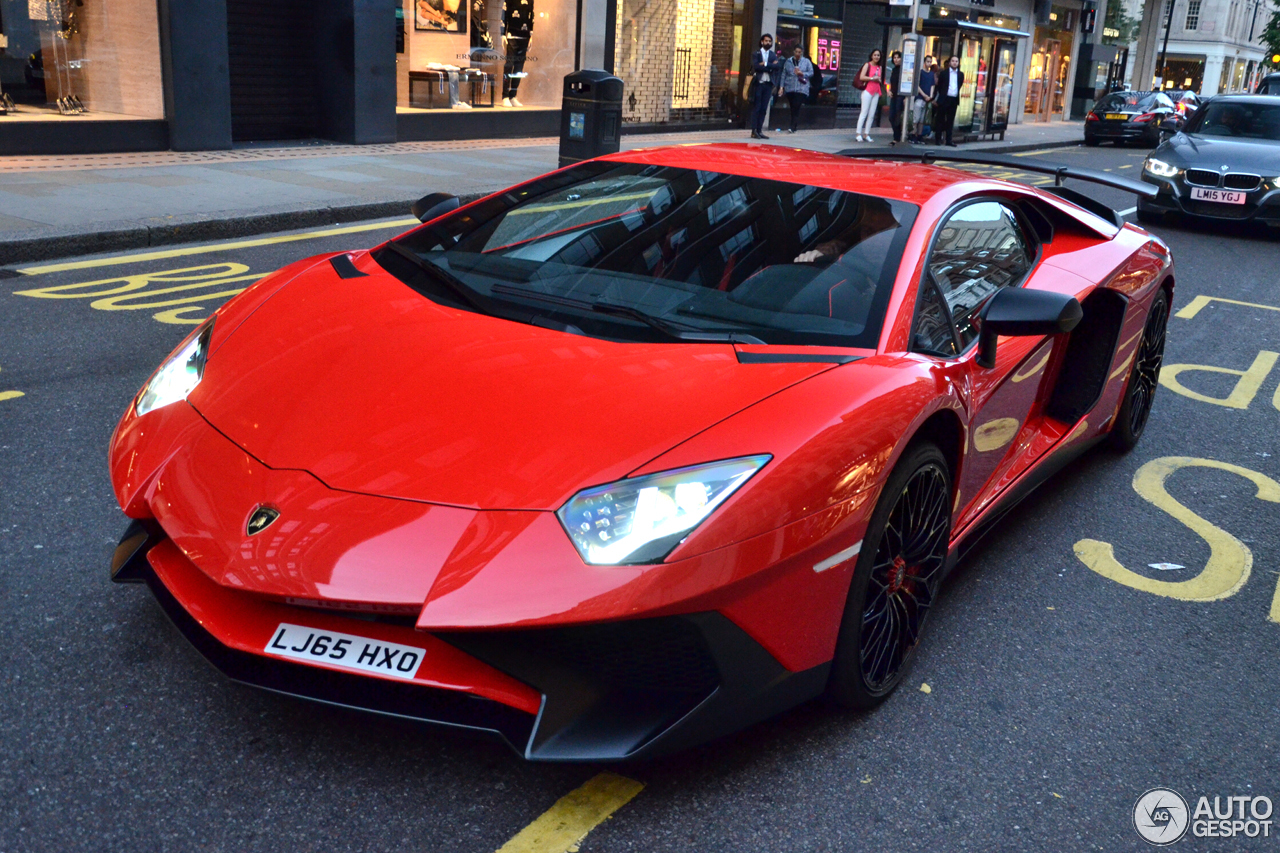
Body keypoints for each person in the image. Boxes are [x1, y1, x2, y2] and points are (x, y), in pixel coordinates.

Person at [750, 34, 780, 139]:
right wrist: (769, 67)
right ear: (762, 41)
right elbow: (757, 67)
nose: (768, 43)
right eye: (766, 41)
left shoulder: (772, 55)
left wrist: (766, 64)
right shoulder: (756, 53)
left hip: (768, 85)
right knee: (757, 107)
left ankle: (759, 130)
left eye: (770, 41)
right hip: (759, 83)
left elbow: (777, 66)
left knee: (764, 108)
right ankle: (753, 131)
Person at [779, 46, 815, 133]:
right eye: (796, 52)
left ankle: (792, 126)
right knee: (793, 107)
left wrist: (802, 73)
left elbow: (811, 72)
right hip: (790, 87)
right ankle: (794, 126)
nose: (798, 54)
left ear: (802, 52)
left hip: (801, 88)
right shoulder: (788, 61)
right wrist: (781, 87)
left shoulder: (806, 62)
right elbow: (784, 74)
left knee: (796, 105)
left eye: (800, 52)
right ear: (793, 52)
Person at [934, 55, 963, 147]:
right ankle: (938, 139)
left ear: (958, 63)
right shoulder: (944, 73)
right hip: (944, 99)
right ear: (950, 62)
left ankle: (949, 140)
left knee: (950, 120)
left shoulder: (961, 74)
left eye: (956, 61)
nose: (955, 63)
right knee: (940, 119)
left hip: (954, 99)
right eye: (953, 61)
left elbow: (960, 85)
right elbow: (939, 86)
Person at [854, 49, 883, 143]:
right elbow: (861, 77)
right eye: (875, 55)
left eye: (878, 55)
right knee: (864, 112)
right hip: (867, 90)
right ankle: (858, 133)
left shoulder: (880, 67)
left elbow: (880, 79)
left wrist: (878, 80)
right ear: (871, 56)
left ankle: (866, 134)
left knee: (872, 114)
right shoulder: (867, 65)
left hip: (876, 91)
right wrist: (872, 78)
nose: (876, 57)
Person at [910, 55, 936, 144]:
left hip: (927, 99)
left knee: (922, 119)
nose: (929, 63)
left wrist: (930, 96)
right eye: (927, 61)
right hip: (920, 98)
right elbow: (917, 85)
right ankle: (913, 135)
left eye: (930, 62)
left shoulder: (932, 74)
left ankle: (919, 136)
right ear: (924, 62)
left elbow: (932, 85)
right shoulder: (920, 73)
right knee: (916, 118)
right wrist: (924, 95)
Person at [887, 50, 904, 145]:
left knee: (898, 116)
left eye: (898, 57)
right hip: (893, 95)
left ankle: (897, 138)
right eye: (894, 58)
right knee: (891, 117)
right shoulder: (894, 69)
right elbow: (891, 82)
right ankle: (897, 136)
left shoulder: (904, 70)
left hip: (901, 95)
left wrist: (906, 97)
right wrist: (889, 91)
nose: (896, 59)